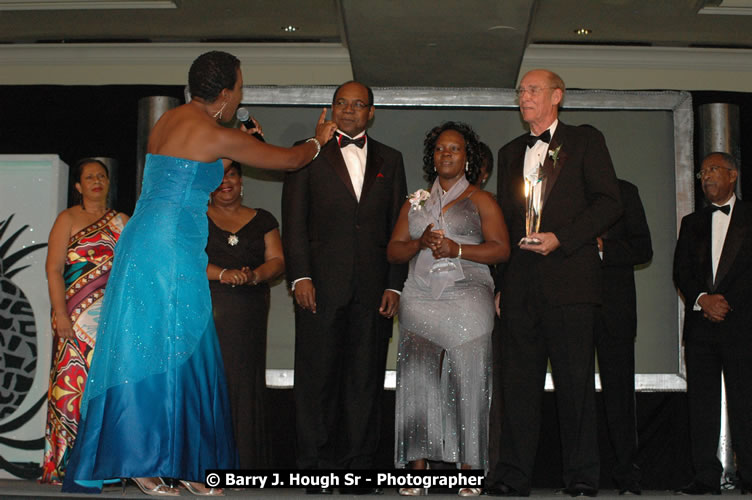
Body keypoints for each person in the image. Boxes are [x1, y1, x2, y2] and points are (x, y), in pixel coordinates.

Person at [62, 50, 336, 496]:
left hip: (149, 240)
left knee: (165, 346)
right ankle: (150, 461)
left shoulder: (170, 121)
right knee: (172, 346)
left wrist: (237, 134)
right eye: (241, 88)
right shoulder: (210, 131)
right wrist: (319, 139)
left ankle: (179, 462)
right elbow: (289, 160)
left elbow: (195, 161)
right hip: (168, 246)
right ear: (225, 94)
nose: (241, 95)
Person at [487, 69, 622, 497]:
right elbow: (507, 224)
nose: (524, 96)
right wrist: (501, 283)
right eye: (521, 91)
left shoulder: (584, 140)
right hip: (521, 286)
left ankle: (581, 476)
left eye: (533, 90)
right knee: (518, 386)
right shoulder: (509, 151)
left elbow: (609, 203)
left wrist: (562, 238)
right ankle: (513, 475)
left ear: (557, 96)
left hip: (570, 283)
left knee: (574, 384)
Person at [282, 80, 407, 494]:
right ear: (331, 107)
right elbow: (294, 221)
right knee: (316, 382)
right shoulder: (309, 150)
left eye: (358, 105)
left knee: (364, 382)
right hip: (318, 287)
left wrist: (395, 285)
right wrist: (300, 276)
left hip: (373, 292)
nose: (349, 110)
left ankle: (357, 469)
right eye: (341, 103)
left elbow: (396, 228)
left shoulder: (392, 158)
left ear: (371, 112)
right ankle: (315, 468)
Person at [388, 121, 509, 497]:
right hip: (421, 295)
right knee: (418, 380)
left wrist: (458, 250)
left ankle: (470, 471)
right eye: (440, 148)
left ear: (468, 158)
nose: (446, 154)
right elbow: (393, 249)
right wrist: (419, 242)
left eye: (454, 149)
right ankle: (417, 472)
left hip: (468, 293)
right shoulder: (416, 201)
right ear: (432, 156)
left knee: (469, 381)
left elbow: (501, 249)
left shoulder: (481, 200)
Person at [42, 159, 129, 484]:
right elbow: (53, 269)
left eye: (102, 176)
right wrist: (60, 313)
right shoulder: (67, 218)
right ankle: (66, 464)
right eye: (89, 177)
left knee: (107, 389)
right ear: (78, 186)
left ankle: (106, 465)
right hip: (73, 318)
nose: (97, 181)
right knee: (70, 387)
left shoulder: (122, 221)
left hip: (111, 320)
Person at [673, 152, 752, 496]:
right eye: (703, 171)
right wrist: (704, 299)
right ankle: (705, 476)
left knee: (746, 400)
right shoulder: (692, 222)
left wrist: (727, 303)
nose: (706, 176)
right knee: (701, 403)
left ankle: (749, 473)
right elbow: (682, 272)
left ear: (733, 175)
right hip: (701, 326)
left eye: (714, 170)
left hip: (742, 323)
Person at [206, 161, 284, 469]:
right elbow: (185, 261)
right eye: (218, 176)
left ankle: (242, 465)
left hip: (249, 311)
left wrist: (254, 276)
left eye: (232, 174)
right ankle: (205, 464)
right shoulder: (195, 218)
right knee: (210, 381)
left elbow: (277, 260)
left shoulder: (263, 218)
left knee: (244, 384)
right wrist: (222, 274)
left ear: (241, 180)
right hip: (207, 310)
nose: (226, 181)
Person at [595, 178, 652, 495]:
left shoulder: (625, 191)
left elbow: (644, 247)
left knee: (619, 394)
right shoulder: (560, 191)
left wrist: (605, 247)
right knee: (575, 396)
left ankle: (626, 474)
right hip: (571, 307)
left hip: (615, 309)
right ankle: (579, 475)